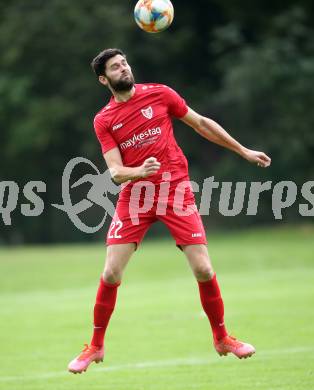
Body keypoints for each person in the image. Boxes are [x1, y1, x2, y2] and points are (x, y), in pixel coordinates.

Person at [68, 48, 271, 374]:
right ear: (104, 79)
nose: (123, 68)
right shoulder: (104, 119)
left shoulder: (160, 94)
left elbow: (201, 123)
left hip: (175, 191)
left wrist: (243, 150)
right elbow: (116, 172)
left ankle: (222, 338)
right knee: (110, 273)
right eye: (115, 68)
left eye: (124, 63)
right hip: (136, 197)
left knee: (203, 269)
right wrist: (140, 172)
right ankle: (95, 346)